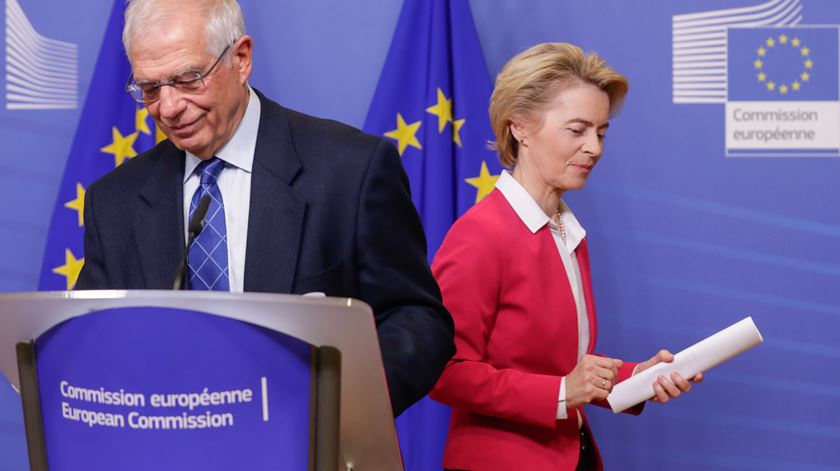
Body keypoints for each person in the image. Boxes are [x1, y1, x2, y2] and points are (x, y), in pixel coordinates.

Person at [75, 0, 454, 418]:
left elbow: (417, 319)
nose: (167, 108)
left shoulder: (351, 170)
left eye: (187, 79)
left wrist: (336, 407)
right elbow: (88, 341)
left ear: (241, 59)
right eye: (149, 89)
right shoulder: (114, 202)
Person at [429, 43, 703, 470]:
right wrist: (561, 393)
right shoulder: (480, 235)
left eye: (601, 132)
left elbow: (564, 370)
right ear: (518, 127)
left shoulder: (566, 229)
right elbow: (443, 371)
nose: (594, 148)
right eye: (577, 130)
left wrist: (639, 378)